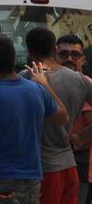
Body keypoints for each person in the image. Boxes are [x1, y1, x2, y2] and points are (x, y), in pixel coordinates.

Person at [0, 33, 68, 204]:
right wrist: (44, 85)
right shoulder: (37, 91)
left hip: (1, 180)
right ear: (13, 59)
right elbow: (63, 117)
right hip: (32, 180)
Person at [21, 28, 92, 204]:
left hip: (39, 170)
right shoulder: (82, 81)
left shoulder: (24, 80)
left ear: (28, 52)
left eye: (75, 55)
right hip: (69, 167)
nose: (69, 58)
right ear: (54, 49)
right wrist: (81, 137)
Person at [57, 35, 92, 204]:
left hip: (79, 160)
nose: (69, 59)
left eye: (75, 54)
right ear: (54, 55)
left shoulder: (87, 85)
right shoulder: (44, 82)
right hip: (47, 160)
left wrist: (78, 139)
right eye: (63, 54)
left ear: (83, 59)